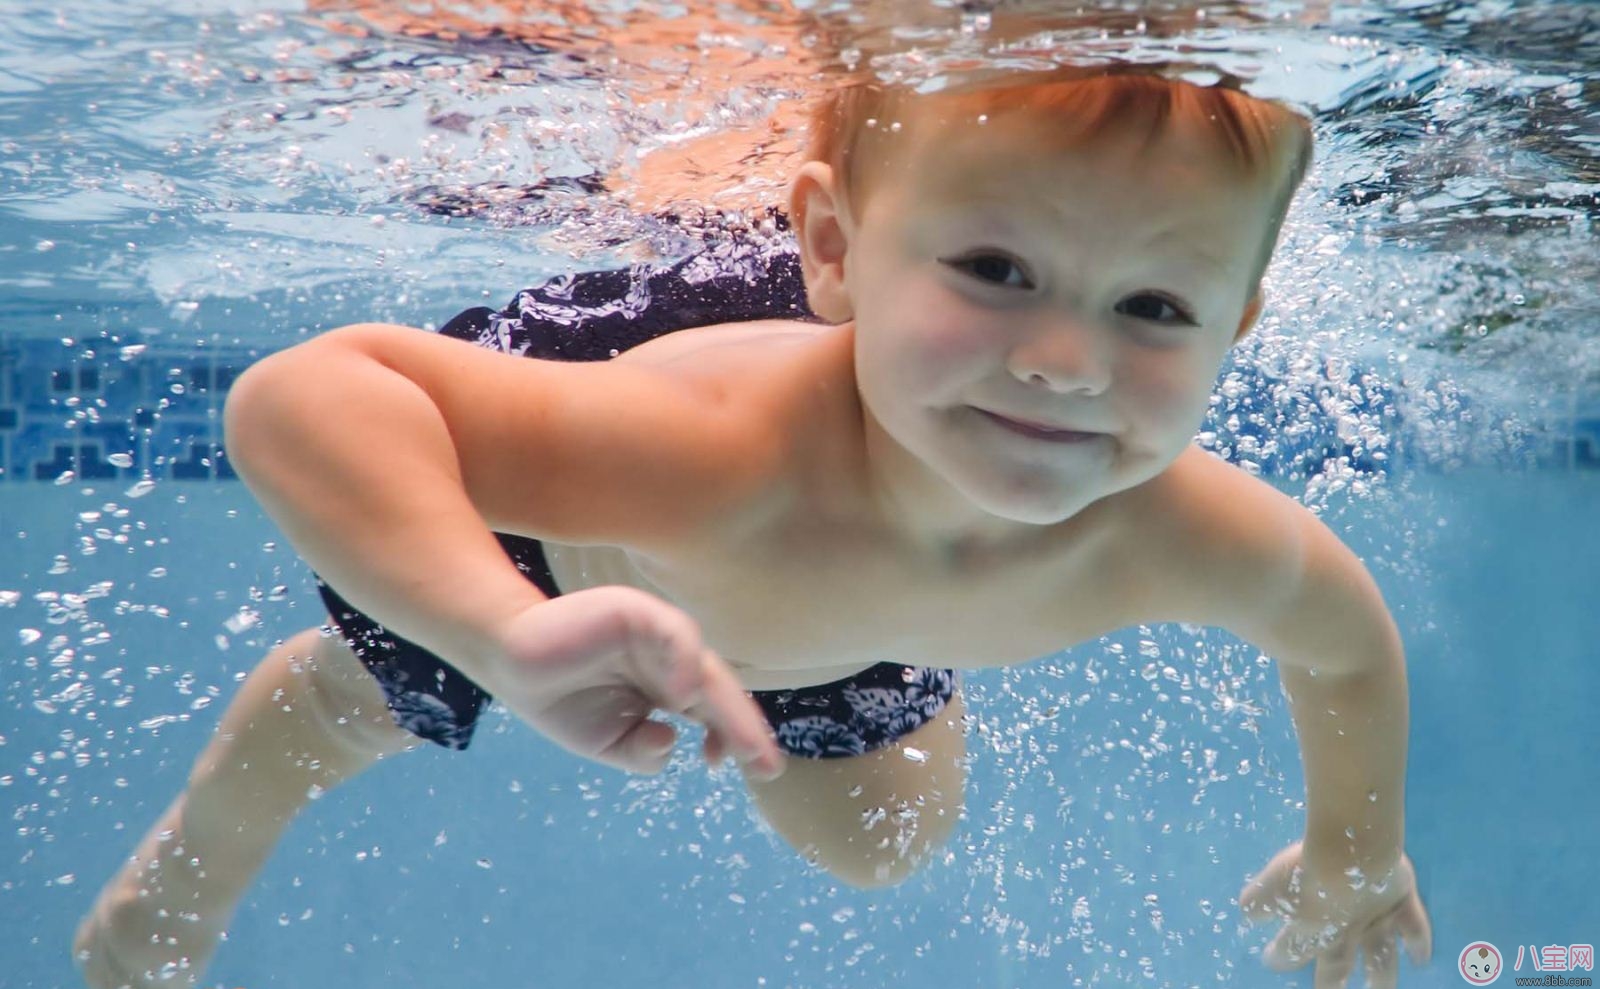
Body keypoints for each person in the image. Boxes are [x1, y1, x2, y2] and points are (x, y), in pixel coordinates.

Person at [75, 64, 1434, 989]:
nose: (1069, 362)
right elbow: (305, 395)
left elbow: (1340, 643)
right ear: (832, 254)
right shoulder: (704, 457)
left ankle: (877, 643)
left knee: (885, 848)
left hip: (828, 597)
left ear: (1235, 331)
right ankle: (189, 872)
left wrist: (1356, 849)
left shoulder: (1180, 530)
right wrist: (502, 627)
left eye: (1156, 308)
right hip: (570, 561)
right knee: (367, 699)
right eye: (997, 269)